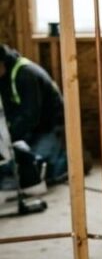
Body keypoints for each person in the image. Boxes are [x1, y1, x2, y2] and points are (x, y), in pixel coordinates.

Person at [0, 43, 67, 188]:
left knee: (37, 171)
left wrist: (11, 138)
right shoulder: (5, 76)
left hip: (50, 127)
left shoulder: (26, 74)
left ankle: (69, 158)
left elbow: (31, 116)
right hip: (34, 129)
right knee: (15, 164)